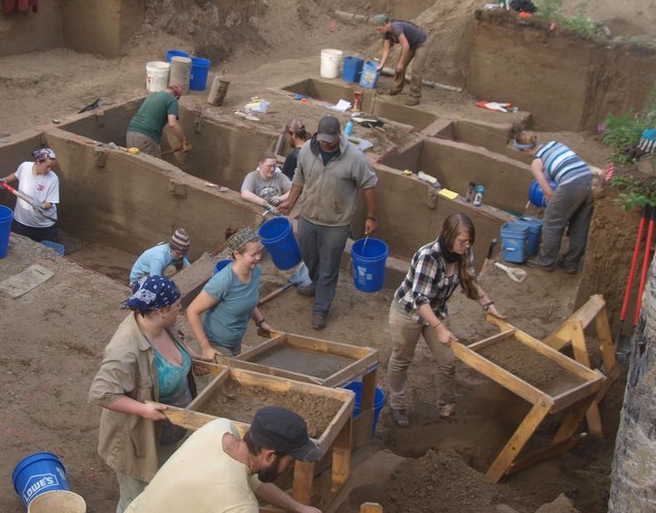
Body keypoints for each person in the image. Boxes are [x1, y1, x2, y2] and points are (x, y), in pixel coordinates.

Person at [89, 276, 195, 513]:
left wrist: (193, 360)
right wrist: (143, 410)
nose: (181, 308)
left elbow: (177, 345)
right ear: (162, 310)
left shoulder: (161, 324)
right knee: (135, 500)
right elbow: (100, 392)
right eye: (178, 305)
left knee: (165, 486)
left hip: (172, 429)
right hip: (137, 438)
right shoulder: (125, 347)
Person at [388, 213, 505, 426]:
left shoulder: (463, 253)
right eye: (462, 241)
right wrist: (440, 328)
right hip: (408, 313)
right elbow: (419, 300)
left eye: (469, 241)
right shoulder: (428, 256)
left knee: (448, 360)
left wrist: (489, 305)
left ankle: (446, 405)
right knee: (402, 359)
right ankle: (397, 404)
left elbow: (469, 281)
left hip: (437, 311)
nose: (466, 245)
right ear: (447, 235)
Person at [118, 406, 324, 513]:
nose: (290, 467)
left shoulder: (219, 428)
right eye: (290, 462)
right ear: (270, 456)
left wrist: (298, 509)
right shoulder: (241, 508)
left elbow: (251, 480)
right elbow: (237, 492)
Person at [278, 115, 377, 331]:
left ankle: (321, 308)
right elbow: (299, 177)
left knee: (330, 266)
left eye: (330, 139)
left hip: (336, 223)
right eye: (323, 139)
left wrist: (371, 216)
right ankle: (316, 283)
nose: (326, 143)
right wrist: (291, 202)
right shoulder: (306, 151)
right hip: (308, 217)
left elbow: (369, 186)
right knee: (309, 256)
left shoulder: (355, 158)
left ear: (339, 134)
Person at [186, 228, 274, 360]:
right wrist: (205, 347)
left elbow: (248, 300)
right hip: (217, 343)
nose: (258, 258)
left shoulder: (255, 271)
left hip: (235, 341)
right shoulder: (223, 281)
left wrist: (261, 322)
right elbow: (192, 311)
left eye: (259, 253)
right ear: (237, 254)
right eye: (253, 254)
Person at [514, 132, 594, 274]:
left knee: (551, 224)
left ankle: (546, 262)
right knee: (580, 227)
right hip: (589, 182)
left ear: (526, 150)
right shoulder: (555, 144)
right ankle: (571, 263)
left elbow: (548, 192)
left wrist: (552, 204)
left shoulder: (536, 163)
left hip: (570, 185)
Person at [0, 147, 60, 243]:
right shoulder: (25, 166)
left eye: (51, 167)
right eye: (47, 166)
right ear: (38, 161)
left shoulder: (53, 179)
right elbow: (17, 175)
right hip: (21, 222)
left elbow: (49, 203)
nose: (49, 170)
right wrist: (5, 180)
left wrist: (42, 206)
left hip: (43, 225)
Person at [374, 17, 429, 106]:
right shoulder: (386, 33)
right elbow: (386, 49)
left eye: (379, 29)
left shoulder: (396, 27)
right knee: (399, 68)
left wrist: (401, 62)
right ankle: (396, 88)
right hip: (411, 44)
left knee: (416, 69)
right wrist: (381, 65)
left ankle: (415, 96)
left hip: (421, 44)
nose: (379, 31)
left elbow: (405, 46)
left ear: (385, 24)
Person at [126, 84, 190, 157]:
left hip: (130, 133)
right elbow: (172, 124)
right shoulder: (172, 100)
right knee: (151, 166)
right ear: (176, 97)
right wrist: (184, 141)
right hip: (147, 136)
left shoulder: (152, 95)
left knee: (135, 162)